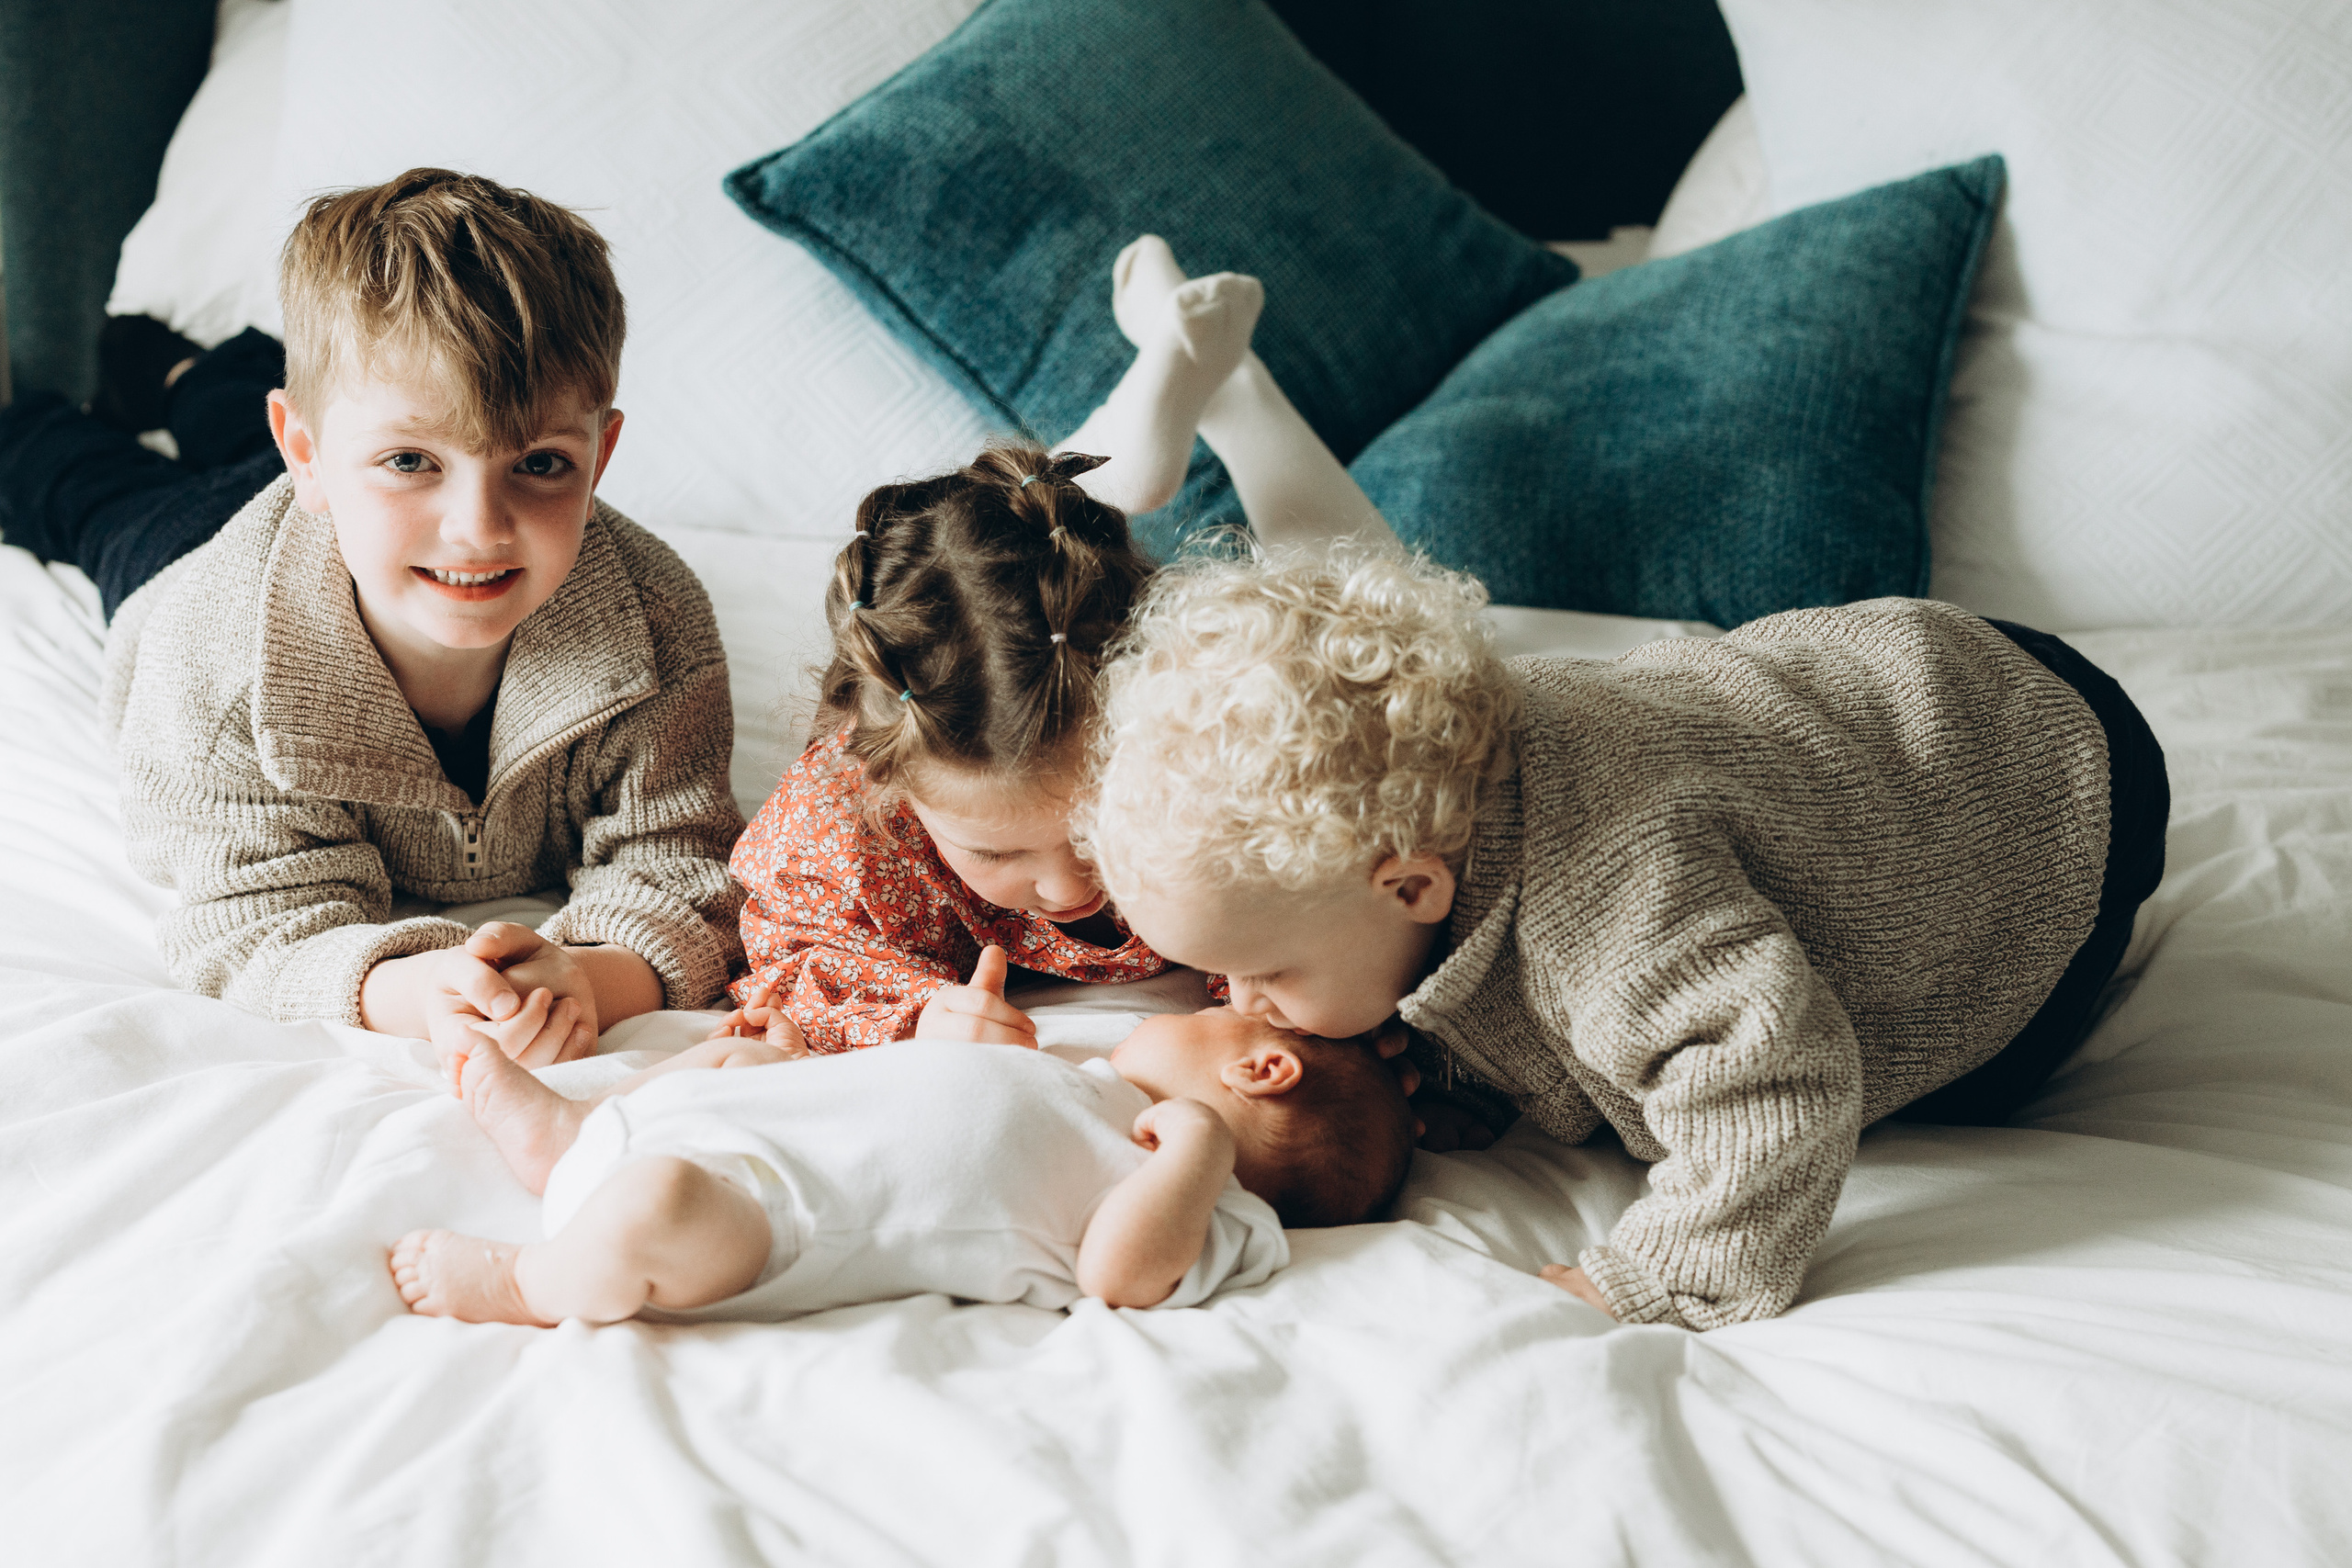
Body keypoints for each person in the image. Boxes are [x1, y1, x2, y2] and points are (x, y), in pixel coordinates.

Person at [1069, 496, 2169, 1335]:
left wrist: (1643, 1280)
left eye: (1264, 973)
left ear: (1410, 887)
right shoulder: (1428, 776)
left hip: (2034, 781)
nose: (1244, 1004)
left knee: (1981, 1074)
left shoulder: (1611, 908)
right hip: (1876, 692)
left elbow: (1779, 1084)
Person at [0, 169, 745, 1058]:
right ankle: (56, 415)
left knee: (239, 424)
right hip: (190, 548)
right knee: (98, 495)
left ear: (602, 454)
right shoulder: (214, 664)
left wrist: (587, 974)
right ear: (306, 458)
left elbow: (684, 869)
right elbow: (254, 930)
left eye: (539, 465)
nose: (478, 529)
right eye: (413, 461)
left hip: (346, 518)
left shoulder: (657, 623)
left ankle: (188, 370)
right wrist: (421, 990)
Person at [728, 235, 1395, 1054]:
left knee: (1363, 624)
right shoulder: (855, 809)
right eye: (999, 850)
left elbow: (1344, 892)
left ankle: (1232, 391)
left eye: (1095, 826)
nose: (1069, 882)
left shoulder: (1207, 739)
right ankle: (1140, 437)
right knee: (1004, 555)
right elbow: (790, 948)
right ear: (887, 787)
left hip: (1176, 645)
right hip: (947, 658)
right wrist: (921, 1013)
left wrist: (1272, 998)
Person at [387, 948, 1416, 1324]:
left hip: (764, 1228)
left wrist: (1199, 1148)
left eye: (1224, 1010)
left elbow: (1118, 1276)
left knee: (658, 1206)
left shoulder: (1209, 1199)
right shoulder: (1089, 1081)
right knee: (738, 1062)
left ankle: (529, 1282)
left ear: (1261, 1067)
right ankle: (569, 1133)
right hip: (753, 1135)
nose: (1200, 1001)